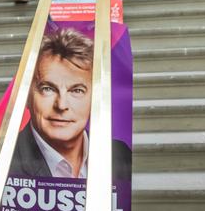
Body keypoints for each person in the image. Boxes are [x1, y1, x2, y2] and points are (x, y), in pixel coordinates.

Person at [9, 28, 131, 180]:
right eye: (48, 89)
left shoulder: (120, 154)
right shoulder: (7, 160)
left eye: (77, 91)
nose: (61, 105)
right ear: (27, 95)